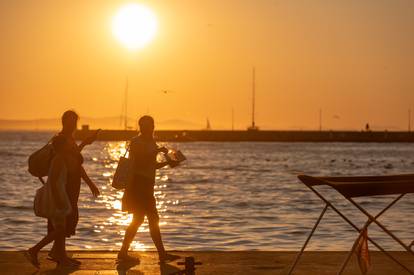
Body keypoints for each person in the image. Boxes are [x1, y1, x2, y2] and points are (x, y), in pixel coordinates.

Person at [27, 110, 100, 267]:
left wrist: (89, 182)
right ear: (63, 121)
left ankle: (59, 253)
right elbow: (68, 162)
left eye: (74, 121)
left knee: (65, 221)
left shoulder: (70, 140)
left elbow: (75, 162)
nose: (73, 124)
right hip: (64, 185)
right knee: (63, 221)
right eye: (69, 121)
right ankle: (58, 254)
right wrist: (84, 144)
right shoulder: (60, 140)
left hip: (71, 184)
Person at [118, 115, 179, 263]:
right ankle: (161, 254)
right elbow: (139, 163)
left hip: (148, 185)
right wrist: (157, 151)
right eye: (144, 125)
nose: (148, 128)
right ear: (140, 127)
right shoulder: (136, 142)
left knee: (139, 220)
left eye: (150, 125)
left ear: (153, 126)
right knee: (152, 218)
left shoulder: (152, 142)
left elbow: (151, 165)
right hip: (138, 185)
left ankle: (123, 252)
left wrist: (168, 162)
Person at [26, 136, 74, 267]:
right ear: (63, 146)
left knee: (60, 229)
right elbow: (52, 182)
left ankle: (60, 257)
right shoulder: (58, 159)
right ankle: (34, 250)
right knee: (60, 230)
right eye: (69, 142)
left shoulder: (60, 158)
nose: (71, 144)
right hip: (56, 195)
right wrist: (58, 200)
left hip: (56, 193)